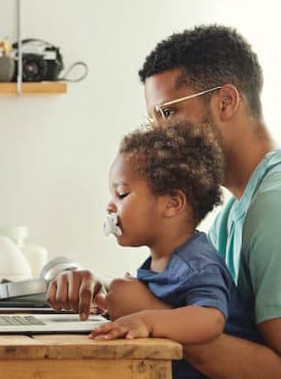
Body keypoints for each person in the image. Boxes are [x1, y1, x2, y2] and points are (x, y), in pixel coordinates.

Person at [48, 25, 281, 378]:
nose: (158, 133)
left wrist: (150, 314)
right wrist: (105, 296)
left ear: (225, 101)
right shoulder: (234, 214)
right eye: (153, 119)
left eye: (168, 112)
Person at [89, 121, 260, 379]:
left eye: (121, 194)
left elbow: (210, 319)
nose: (110, 207)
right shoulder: (163, 261)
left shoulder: (196, 262)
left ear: (172, 203)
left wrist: (146, 320)